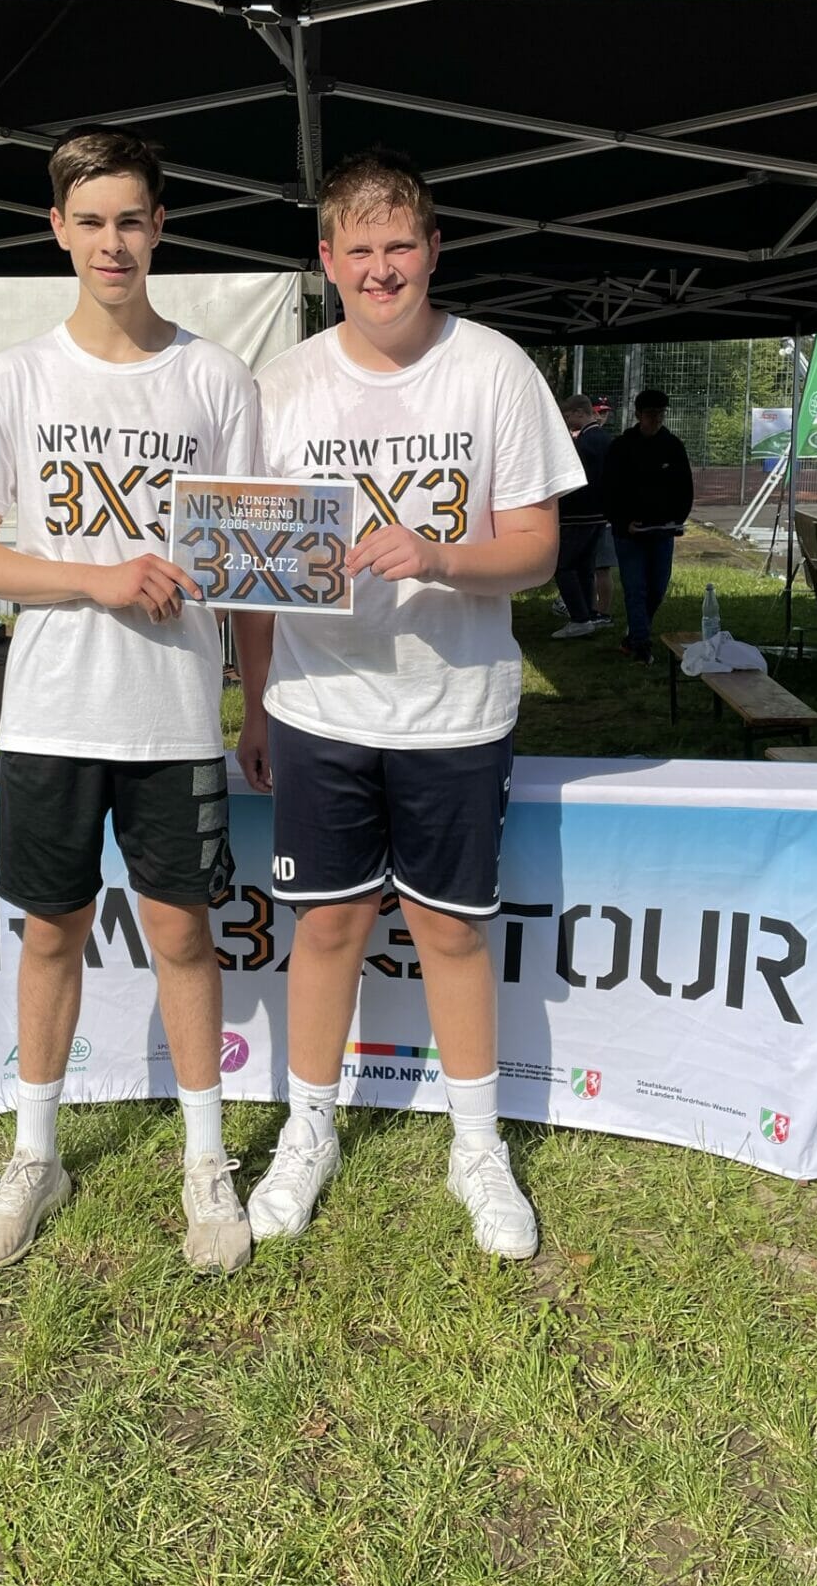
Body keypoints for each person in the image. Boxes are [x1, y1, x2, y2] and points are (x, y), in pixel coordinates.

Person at [235, 148, 584, 1260]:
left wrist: (438, 555)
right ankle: (310, 1130)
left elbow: (538, 550)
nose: (381, 269)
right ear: (326, 259)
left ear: (433, 250)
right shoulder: (281, 386)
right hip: (318, 705)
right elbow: (253, 569)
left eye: (401, 246)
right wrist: (254, 706)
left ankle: (477, 1147)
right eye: (360, 249)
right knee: (328, 925)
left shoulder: (495, 370)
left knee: (450, 931)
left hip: (457, 708)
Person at [0, 129, 258, 1274]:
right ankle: (37, 1156)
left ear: (159, 228)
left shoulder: (215, 378)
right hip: (53, 713)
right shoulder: (20, 378)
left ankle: (205, 1162)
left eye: (130, 220)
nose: (112, 242)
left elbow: (252, 564)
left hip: (174, 716)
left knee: (183, 935)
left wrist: (259, 705)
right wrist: (95, 577)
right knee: (50, 934)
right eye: (91, 221)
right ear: (58, 230)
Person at [603, 388, 694, 664]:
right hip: (629, 533)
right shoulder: (621, 447)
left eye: (661, 414)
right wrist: (622, 522)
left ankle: (634, 635)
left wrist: (677, 520)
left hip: (662, 531)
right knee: (635, 587)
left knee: (657, 588)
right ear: (638, 415)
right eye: (651, 414)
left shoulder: (673, 446)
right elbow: (608, 490)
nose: (656, 419)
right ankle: (641, 645)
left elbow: (685, 488)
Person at [551, 393, 613, 638]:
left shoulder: (582, 443)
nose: (567, 421)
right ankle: (589, 613)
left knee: (564, 566)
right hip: (599, 514)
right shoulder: (605, 439)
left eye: (568, 416)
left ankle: (579, 617)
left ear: (579, 413)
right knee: (585, 567)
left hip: (578, 514)